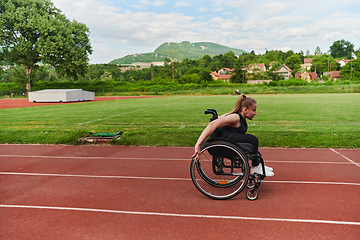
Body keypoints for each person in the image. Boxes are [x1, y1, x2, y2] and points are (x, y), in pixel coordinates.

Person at [192, 94, 274, 176]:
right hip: (220, 143)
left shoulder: (238, 116)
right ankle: (255, 167)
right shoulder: (235, 117)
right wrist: (198, 144)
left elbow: (219, 118)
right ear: (245, 110)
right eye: (254, 110)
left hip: (227, 138)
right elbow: (212, 124)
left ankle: (257, 165)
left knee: (251, 141)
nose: (255, 113)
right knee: (253, 139)